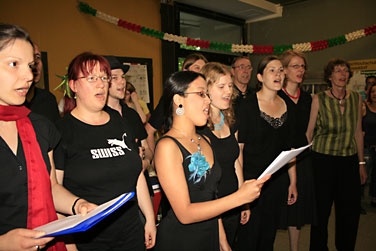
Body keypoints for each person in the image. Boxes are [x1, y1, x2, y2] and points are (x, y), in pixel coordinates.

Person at [0, 23, 95, 251]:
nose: (28, 75)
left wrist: (78, 204)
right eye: (14, 64)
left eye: (31, 66)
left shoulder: (40, 126)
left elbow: (50, 188)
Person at [153, 70, 270, 251]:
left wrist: (222, 240)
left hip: (209, 236)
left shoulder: (205, 140)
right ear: (178, 100)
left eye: (207, 95)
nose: (207, 100)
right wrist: (239, 198)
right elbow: (184, 213)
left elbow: (211, 196)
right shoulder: (167, 146)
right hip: (181, 241)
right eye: (201, 94)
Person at [54, 52, 156, 250]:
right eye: (91, 78)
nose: (101, 84)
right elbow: (54, 191)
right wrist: (70, 245)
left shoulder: (120, 123)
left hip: (131, 232)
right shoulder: (61, 131)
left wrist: (149, 219)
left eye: (104, 77)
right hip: (89, 240)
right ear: (74, 86)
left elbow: (136, 176)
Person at [235, 55, 297, 251]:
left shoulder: (288, 105)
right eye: (272, 70)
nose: (278, 74)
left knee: (268, 238)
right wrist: (240, 188)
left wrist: (293, 181)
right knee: (248, 238)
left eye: (280, 70)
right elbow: (239, 151)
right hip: (251, 181)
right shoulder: (246, 106)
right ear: (260, 77)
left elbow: (291, 149)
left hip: (277, 182)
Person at [306, 58, 367, 251]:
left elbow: (357, 132)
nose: (342, 74)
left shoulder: (356, 98)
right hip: (322, 160)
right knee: (321, 212)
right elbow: (309, 133)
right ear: (330, 76)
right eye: (338, 71)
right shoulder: (319, 99)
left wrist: (361, 163)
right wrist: (304, 165)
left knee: (349, 212)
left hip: (348, 162)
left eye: (345, 71)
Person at [198, 62, 247, 247]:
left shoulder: (229, 118)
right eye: (221, 86)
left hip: (232, 200)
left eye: (229, 86)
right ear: (206, 90)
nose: (228, 91)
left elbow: (236, 161)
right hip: (212, 204)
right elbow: (203, 182)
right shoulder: (199, 127)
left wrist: (243, 197)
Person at [104, 55, 158, 218]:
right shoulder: (99, 117)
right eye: (115, 78)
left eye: (123, 77)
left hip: (142, 191)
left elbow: (147, 149)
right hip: (115, 196)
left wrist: (145, 162)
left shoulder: (131, 114)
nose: (121, 82)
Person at [278, 50, 316, 251]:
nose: (300, 70)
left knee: (298, 209)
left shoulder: (308, 98)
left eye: (302, 66)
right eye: (295, 66)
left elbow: (309, 132)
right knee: (276, 206)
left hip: (301, 157)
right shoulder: (276, 96)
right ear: (284, 70)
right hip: (279, 157)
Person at [145, 53, 208, 153]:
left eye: (204, 68)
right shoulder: (172, 97)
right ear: (185, 71)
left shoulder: (207, 99)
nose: (201, 71)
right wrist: (152, 158)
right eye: (197, 67)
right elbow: (149, 130)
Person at [24, 43, 60, 123]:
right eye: (30, 57)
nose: (35, 62)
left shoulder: (48, 99)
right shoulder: (8, 101)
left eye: (37, 57)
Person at [362, 82, 376, 207]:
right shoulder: (364, 107)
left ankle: (373, 199)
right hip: (367, 147)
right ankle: (358, 201)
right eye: (372, 91)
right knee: (363, 175)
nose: (375, 94)